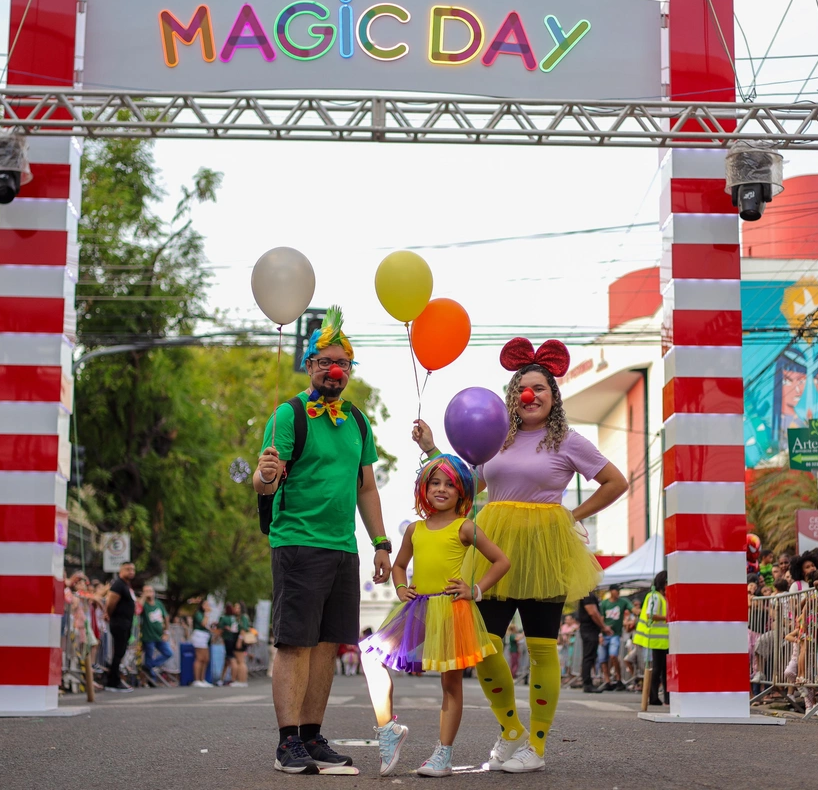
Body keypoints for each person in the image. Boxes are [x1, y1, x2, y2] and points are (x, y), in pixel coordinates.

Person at [413, 337, 627, 772]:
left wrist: (573, 515)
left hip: (545, 547)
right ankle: (511, 730)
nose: (529, 395)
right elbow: (463, 483)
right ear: (512, 398)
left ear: (554, 396)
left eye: (540, 388)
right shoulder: (495, 437)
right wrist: (433, 450)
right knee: (484, 645)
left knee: (543, 647)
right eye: (521, 389)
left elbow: (615, 482)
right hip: (495, 549)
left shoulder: (567, 440)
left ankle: (539, 747)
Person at [254, 306, 391, 775]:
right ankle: (286, 743)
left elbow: (366, 486)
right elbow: (265, 482)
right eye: (326, 361)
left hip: (343, 547)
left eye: (344, 363)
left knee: (328, 643)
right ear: (310, 365)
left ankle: (311, 736)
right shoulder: (289, 414)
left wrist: (381, 543)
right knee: (294, 642)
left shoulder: (356, 420)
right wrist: (262, 476)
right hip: (296, 541)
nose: (336, 370)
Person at [360, 454, 510, 777]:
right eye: (435, 483)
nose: (441, 489)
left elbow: (501, 561)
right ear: (424, 489)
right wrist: (401, 589)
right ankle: (389, 729)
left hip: (452, 609)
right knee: (371, 655)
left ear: (461, 492)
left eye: (450, 484)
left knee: (450, 684)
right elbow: (399, 566)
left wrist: (476, 590)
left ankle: (443, 756)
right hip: (419, 608)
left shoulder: (466, 526)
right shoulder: (414, 530)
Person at [634, 571, 669, 706]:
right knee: (658, 670)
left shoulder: (660, 596)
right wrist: (669, 617)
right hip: (657, 639)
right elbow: (650, 615)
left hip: (662, 639)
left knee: (662, 670)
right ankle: (654, 697)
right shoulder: (655, 597)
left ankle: (662, 698)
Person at [104, 562, 137, 693]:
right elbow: (111, 602)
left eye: (133, 569)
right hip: (119, 623)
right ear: (121, 570)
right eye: (128, 569)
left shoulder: (127, 586)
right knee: (118, 652)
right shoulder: (118, 584)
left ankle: (115, 679)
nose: (131, 571)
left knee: (120, 652)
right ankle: (113, 681)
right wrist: (109, 614)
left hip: (126, 623)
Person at [598, 586, 632, 691]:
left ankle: (618, 679)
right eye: (616, 591)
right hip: (604, 634)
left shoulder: (623, 602)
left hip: (615, 634)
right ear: (611, 592)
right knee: (603, 659)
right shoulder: (604, 604)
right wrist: (600, 634)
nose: (617, 593)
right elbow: (601, 618)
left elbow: (632, 609)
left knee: (613, 655)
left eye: (618, 591)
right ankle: (607, 680)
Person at [576, 588, 608, 693]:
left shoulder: (587, 595)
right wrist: (604, 627)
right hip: (589, 629)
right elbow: (593, 612)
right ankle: (587, 683)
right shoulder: (588, 596)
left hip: (589, 629)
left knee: (590, 656)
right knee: (589, 656)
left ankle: (587, 682)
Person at [140, 585, 172, 684]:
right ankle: (152, 679)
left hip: (159, 635)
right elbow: (137, 609)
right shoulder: (144, 604)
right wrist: (143, 597)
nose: (149, 593)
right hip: (148, 636)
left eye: (150, 591)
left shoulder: (159, 604)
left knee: (168, 653)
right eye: (146, 591)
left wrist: (166, 632)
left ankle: (148, 666)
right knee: (149, 655)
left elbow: (166, 617)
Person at [218, 601, 250, 688]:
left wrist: (239, 641)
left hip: (239, 639)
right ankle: (240, 679)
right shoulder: (237, 618)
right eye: (235, 607)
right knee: (239, 660)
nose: (236, 609)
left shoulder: (243, 617)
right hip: (236, 637)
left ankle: (242, 680)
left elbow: (243, 630)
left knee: (240, 661)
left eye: (238, 607)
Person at [190, 598, 215, 688]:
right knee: (200, 658)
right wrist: (207, 613)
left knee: (206, 659)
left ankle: (202, 679)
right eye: (206, 605)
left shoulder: (206, 615)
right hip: (199, 636)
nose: (208, 607)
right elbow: (203, 623)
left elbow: (208, 626)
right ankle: (197, 680)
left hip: (205, 636)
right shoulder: (198, 614)